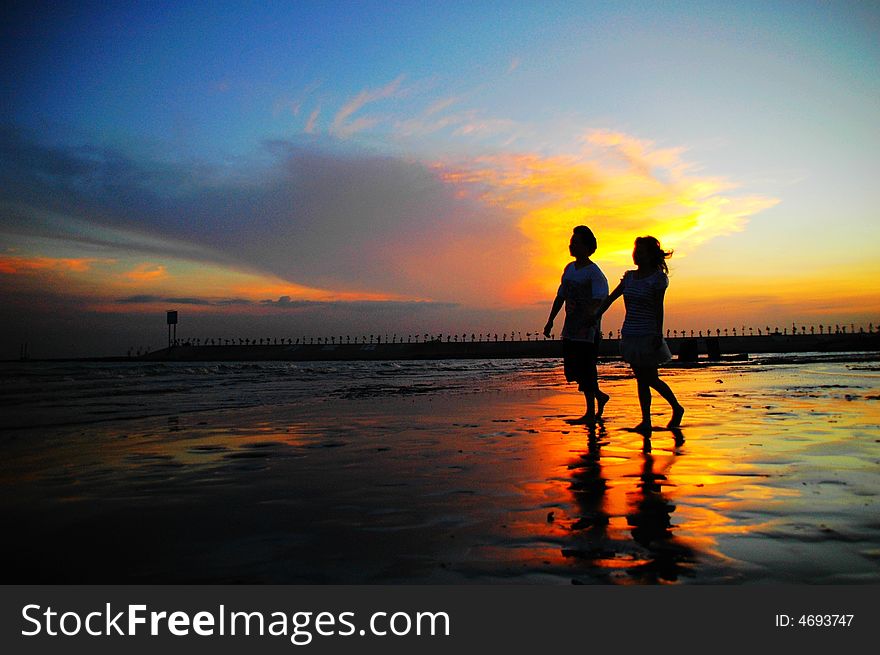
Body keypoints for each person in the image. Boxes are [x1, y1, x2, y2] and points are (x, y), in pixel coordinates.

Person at [594, 236, 684, 433]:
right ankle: (647, 420)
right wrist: (596, 315)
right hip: (630, 334)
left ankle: (676, 408)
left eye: (641, 251)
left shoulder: (657, 279)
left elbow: (659, 308)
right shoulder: (629, 278)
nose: (636, 254)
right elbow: (610, 299)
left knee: (650, 378)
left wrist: (658, 333)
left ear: (650, 255)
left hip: (648, 333)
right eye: (635, 250)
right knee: (641, 379)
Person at [543, 225, 609, 424]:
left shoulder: (595, 273)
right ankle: (599, 396)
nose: (572, 245)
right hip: (570, 327)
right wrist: (550, 320)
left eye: (576, 242)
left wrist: (592, 317)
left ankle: (590, 412)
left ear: (587, 246)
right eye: (571, 242)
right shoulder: (569, 269)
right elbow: (560, 295)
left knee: (587, 368)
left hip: (588, 330)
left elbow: (601, 299)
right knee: (573, 370)